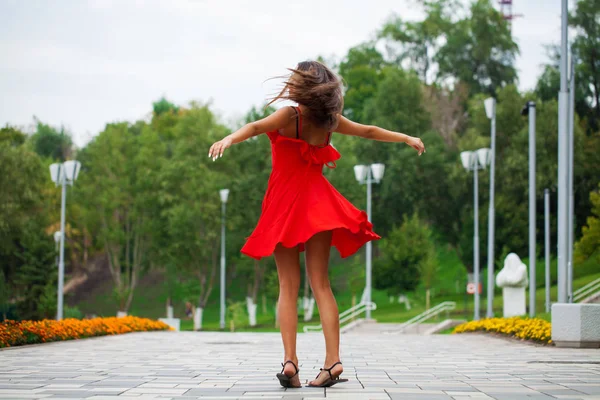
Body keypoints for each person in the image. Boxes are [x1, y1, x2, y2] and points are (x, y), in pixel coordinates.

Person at [208, 60, 425, 388]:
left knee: (288, 287)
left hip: (284, 206)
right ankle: (332, 361)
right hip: (318, 206)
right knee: (321, 285)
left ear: (302, 86)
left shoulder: (289, 116)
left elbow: (253, 127)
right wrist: (406, 137)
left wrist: (228, 138)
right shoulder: (329, 122)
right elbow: (368, 131)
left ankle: (291, 362)